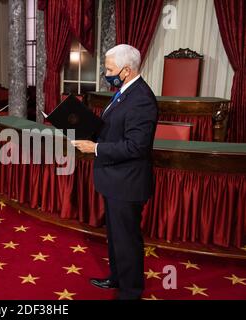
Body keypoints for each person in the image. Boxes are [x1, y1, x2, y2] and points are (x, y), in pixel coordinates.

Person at [72, 44, 158, 300]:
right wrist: (83, 124)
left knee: (127, 241)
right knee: (116, 237)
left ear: (127, 70)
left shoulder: (142, 99)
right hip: (115, 180)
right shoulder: (125, 91)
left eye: (109, 69)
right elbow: (112, 127)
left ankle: (130, 292)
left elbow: (136, 147)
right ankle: (117, 277)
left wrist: (95, 147)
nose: (105, 73)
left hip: (127, 183)